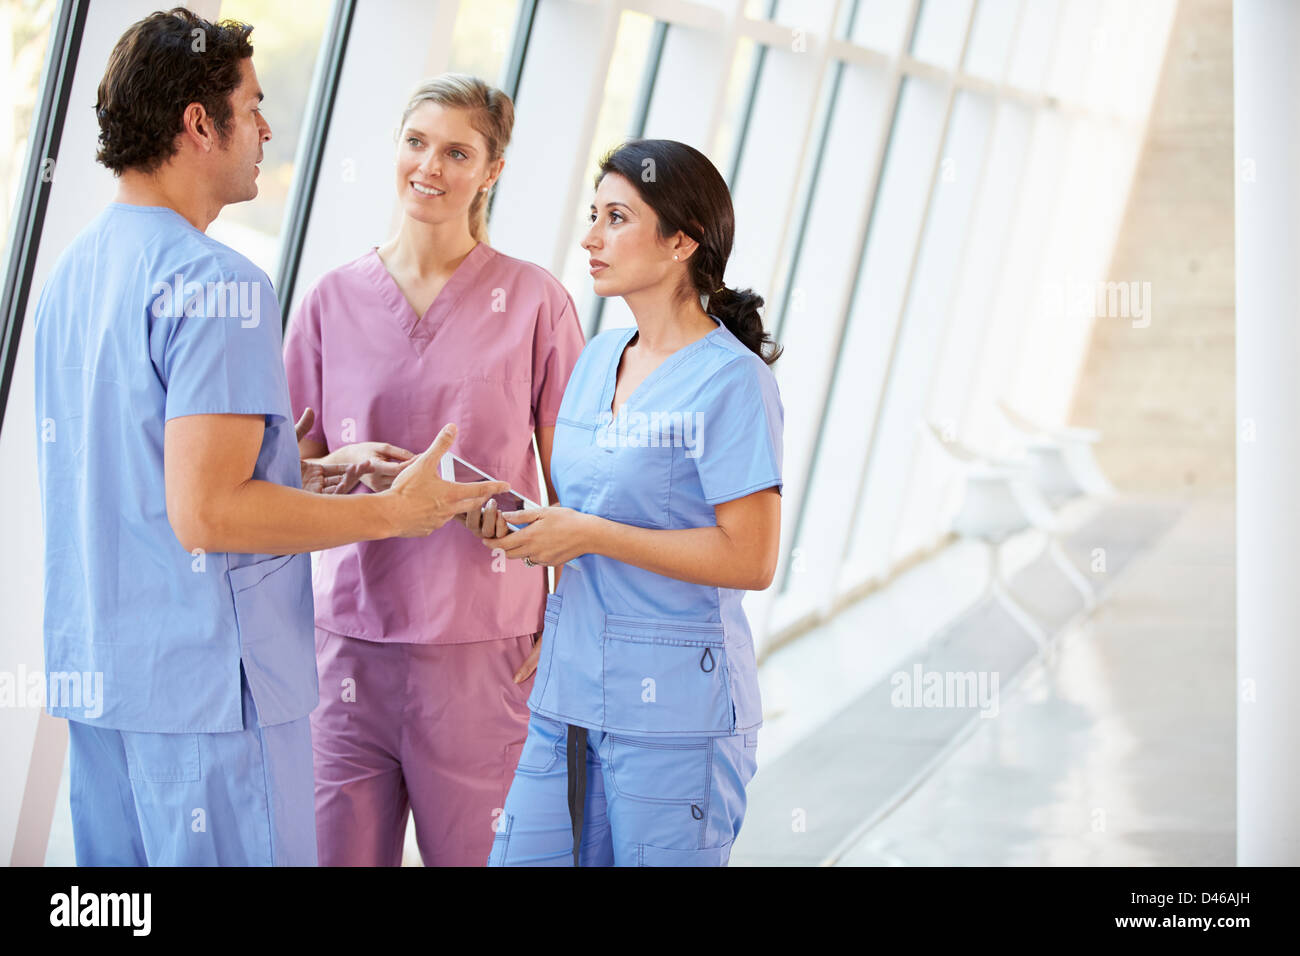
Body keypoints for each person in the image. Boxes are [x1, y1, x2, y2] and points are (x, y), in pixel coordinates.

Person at [31, 8, 505, 867]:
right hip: (213, 698)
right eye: (251, 107)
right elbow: (209, 513)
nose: (267, 128)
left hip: (105, 683)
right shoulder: (220, 281)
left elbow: (149, 472)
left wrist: (311, 472)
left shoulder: (74, 272)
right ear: (199, 124)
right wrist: (397, 514)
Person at [283, 74, 585, 867]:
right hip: (348, 643)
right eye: (417, 142)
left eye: (458, 151)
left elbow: (577, 483)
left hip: (486, 647)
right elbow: (283, 474)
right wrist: (334, 465)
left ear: (492, 171)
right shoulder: (331, 301)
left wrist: (570, 613)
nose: (430, 166)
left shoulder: (534, 303)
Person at [481, 139, 784, 866]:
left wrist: (587, 533)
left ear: (682, 240)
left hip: (678, 716)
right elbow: (583, 506)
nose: (590, 237)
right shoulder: (595, 360)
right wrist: (518, 524)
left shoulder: (733, 383)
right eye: (593, 215)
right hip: (568, 697)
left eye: (616, 217)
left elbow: (751, 557)